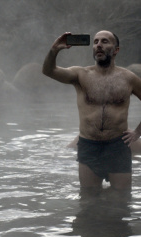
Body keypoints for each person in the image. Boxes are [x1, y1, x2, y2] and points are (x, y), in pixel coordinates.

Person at [42, 30, 141, 190]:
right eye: (95, 42)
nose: (99, 45)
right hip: (89, 146)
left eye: (105, 41)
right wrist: (54, 50)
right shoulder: (80, 74)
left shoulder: (128, 78)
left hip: (117, 146)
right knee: (88, 201)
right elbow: (48, 71)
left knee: (121, 201)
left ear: (116, 50)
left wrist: (137, 132)